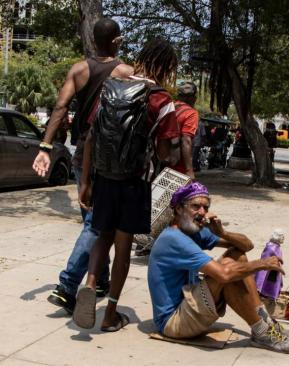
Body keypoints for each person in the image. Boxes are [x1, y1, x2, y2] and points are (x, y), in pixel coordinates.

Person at [73, 38, 181, 331]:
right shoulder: (162, 99)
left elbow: (92, 137)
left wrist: (86, 182)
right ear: (168, 67)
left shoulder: (110, 88)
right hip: (134, 182)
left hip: (104, 177)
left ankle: (91, 282)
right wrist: (171, 156)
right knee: (122, 249)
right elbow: (163, 153)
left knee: (101, 235)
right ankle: (109, 315)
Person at [31, 18, 133, 314]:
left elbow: (60, 106)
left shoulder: (78, 69)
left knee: (93, 217)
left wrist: (45, 147)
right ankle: (67, 286)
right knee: (94, 222)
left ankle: (100, 278)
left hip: (80, 155)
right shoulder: (126, 72)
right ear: (116, 41)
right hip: (107, 157)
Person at [148, 183, 289, 353]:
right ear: (178, 209)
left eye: (206, 207)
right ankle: (262, 332)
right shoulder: (173, 238)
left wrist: (223, 233)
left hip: (188, 306)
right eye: (195, 206)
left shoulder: (192, 230)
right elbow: (224, 275)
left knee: (237, 257)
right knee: (227, 270)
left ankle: (266, 325)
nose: (202, 212)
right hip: (173, 323)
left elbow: (246, 246)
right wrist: (262, 264)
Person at [171, 81, 199, 179]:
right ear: (193, 98)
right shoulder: (191, 113)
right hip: (178, 167)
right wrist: (189, 170)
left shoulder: (169, 108)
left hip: (160, 161)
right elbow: (186, 140)